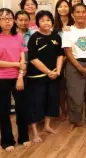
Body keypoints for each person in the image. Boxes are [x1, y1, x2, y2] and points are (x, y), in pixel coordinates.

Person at [0, 8, 30, 151]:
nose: (7, 21)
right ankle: (7, 141)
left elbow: (23, 59)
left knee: (22, 109)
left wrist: (20, 75)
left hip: (18, 77)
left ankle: (23, 137)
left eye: (10, 18)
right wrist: (16, 64)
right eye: (3, 18)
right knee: (3, 111)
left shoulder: (19, 37)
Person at [62, 3, 86, 131]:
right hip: (74, 65)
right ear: (72, 15)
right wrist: (80, 68)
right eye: (77, 12)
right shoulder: (67, 31)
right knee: (74, 95)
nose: (81, 14)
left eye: (83, 12)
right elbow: (68, 52)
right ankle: (75, 120)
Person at [26, 10, 64, 143]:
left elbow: (60, 54)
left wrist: (58, 71)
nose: (46, 23)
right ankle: (35, 131)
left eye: (48, 20)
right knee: (37, 102)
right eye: (42, 20)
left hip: (54, 75)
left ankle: (47, 125)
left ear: (52, 22)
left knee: (51, 100)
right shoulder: (34, 38)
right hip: (37, 77)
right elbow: (33, 59)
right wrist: (48, 72)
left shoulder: (57, 37)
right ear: (37, 23)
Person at [53, 0, 74, 121]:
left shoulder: (73, 23)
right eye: (60, 6)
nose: (63, 8)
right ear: (57, 9)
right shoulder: (54, 25)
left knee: (71, 86)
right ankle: (62, 110)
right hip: (58, 59)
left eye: (66, 6)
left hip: (71, 58)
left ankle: (72, 110)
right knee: (61, 87)